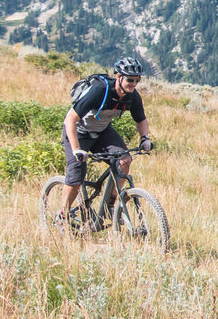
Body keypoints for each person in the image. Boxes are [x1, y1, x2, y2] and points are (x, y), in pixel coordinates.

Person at [57, 56, 153, 227]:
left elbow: (141, 119)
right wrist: (77, 149)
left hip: (101, 131)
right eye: (130, 79)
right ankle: (62, 215)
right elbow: (70, 119)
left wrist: (145, 138)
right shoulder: (100, 90)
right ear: (118, 77)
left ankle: (110, 205)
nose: (133, 84)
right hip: (79, 131)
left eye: (137, 80)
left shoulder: (132, 96)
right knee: (76, 175)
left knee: (124, 160)